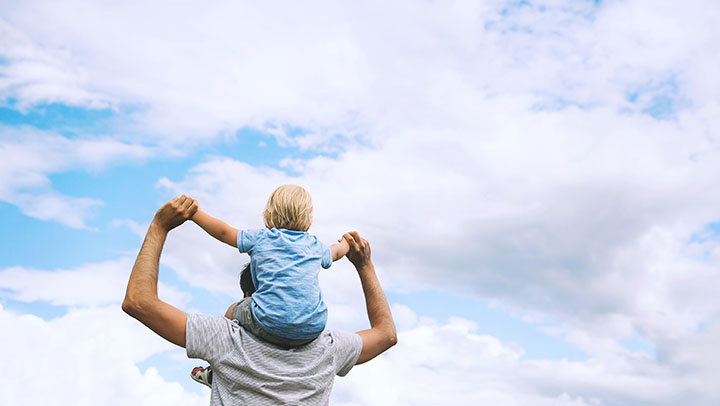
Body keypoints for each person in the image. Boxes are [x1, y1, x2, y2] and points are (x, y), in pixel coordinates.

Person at [122, 196, 397, 405]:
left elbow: (138, 302)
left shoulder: (225, 340)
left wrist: (159, 227)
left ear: (250, 295)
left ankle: (212, 374)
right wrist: (364, 266)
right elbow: (386, 335)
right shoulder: (329, 349)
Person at [191, 184, 350, 347]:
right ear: (309, 221)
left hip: (269, 324)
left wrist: (196, 214)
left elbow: (224, 232)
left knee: (234, 310)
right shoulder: (314, 245)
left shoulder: (261, 238)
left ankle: (219, 355)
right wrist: (347, 243)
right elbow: (335, 252)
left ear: (268, 216)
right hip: (312, 328)